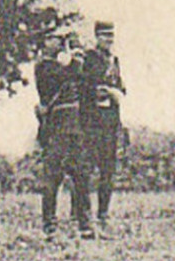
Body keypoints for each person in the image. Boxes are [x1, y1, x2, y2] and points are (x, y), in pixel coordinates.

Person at [34, 33, 93, 241]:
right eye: (52, 38)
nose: (57, 42)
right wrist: (77, 50)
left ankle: (84, 223)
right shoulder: (44, 67)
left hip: (73, 126)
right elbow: (74, 71)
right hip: (56, 127)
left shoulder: (59, 64)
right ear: (43, 43)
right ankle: (49, 224)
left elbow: (82, 76)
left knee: (81, 175)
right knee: (53, 177)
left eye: (59, 39)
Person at [81, 21, 125, 233]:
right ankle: (83, 216)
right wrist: (105, 90)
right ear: (97, 37)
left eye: (111, 37)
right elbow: (86, 85)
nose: (109, 41)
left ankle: (103, 215)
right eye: (105, 37)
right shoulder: (89, 58)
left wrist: (116, 91)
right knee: (87, 169)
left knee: (108, 169)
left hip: (110, 120)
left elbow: (121, 85)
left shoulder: (114, 60)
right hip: (92, 120)